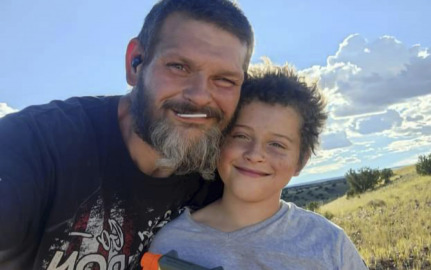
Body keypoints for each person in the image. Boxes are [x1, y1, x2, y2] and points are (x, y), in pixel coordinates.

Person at [0, 0, 253, 269]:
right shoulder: (34, 145)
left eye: (225, 79)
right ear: (135, 63)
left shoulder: (224, 173)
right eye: (179, 66)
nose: (201, 96)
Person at [147, 61, 368, 269]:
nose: (255, 154)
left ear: (301, 161)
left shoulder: (329, 244)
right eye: (241, 136)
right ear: (219, 143)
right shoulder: (172, 243)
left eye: (277, 144)